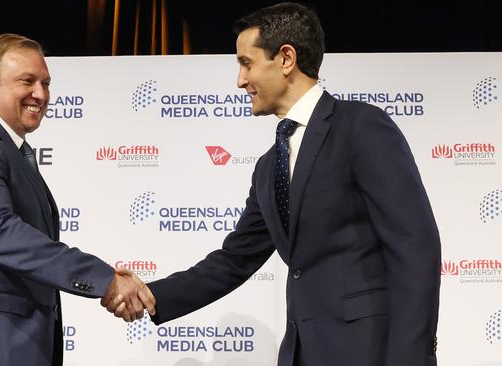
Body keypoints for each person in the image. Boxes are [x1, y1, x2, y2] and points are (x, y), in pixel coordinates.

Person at [109, 2, 441, 365]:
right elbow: (234, 260)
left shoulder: (360, 127)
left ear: (286, 58)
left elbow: (415, 247)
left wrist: (411, 356)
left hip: (369, 351)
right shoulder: (269, 167)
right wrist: (152, 294)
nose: (240, 81)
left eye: (246, 63)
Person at [0, 33, 155, 366]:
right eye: (26, 81)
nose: (41, 94)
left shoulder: (5, 149)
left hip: (11, 343)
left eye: (46, 83)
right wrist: (104, 280)